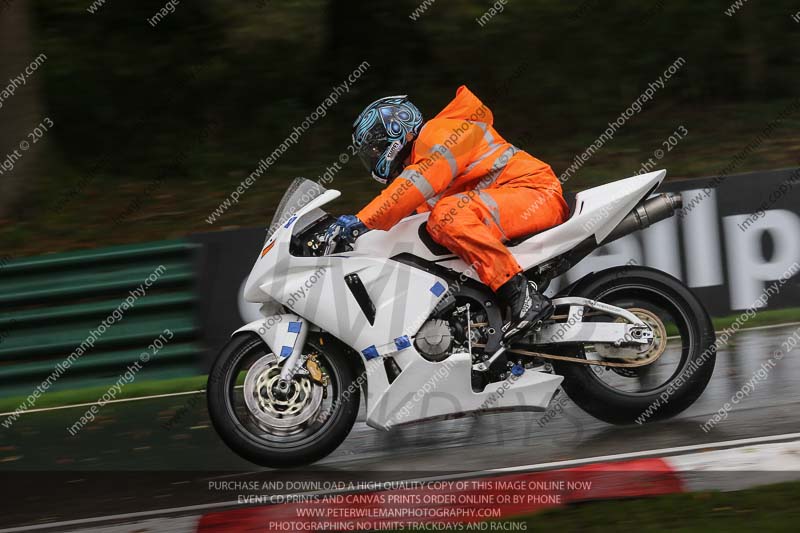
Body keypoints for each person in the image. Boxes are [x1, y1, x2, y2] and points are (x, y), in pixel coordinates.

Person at [328, 86, 569, 342]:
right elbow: (407, 215)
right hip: (510, 203)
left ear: (395, 130)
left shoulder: (437, 135)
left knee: (447, 217)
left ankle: (522, 296)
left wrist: (362, 221)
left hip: (533, 194)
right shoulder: (421, 162)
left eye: (374, 149)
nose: (372, 157)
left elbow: (409, 189)